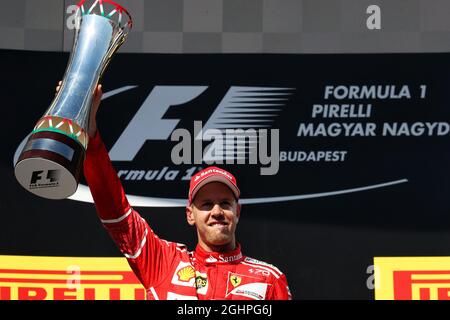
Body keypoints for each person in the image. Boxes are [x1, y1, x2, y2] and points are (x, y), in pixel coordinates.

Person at [57, 82, 292, 300]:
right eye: (207, 204)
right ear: (190, 214)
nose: (217, 211)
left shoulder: (268, 278)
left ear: (237, 212)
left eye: (225, 203)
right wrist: (90, 134)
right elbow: (116, 213)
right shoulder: (164, 262)